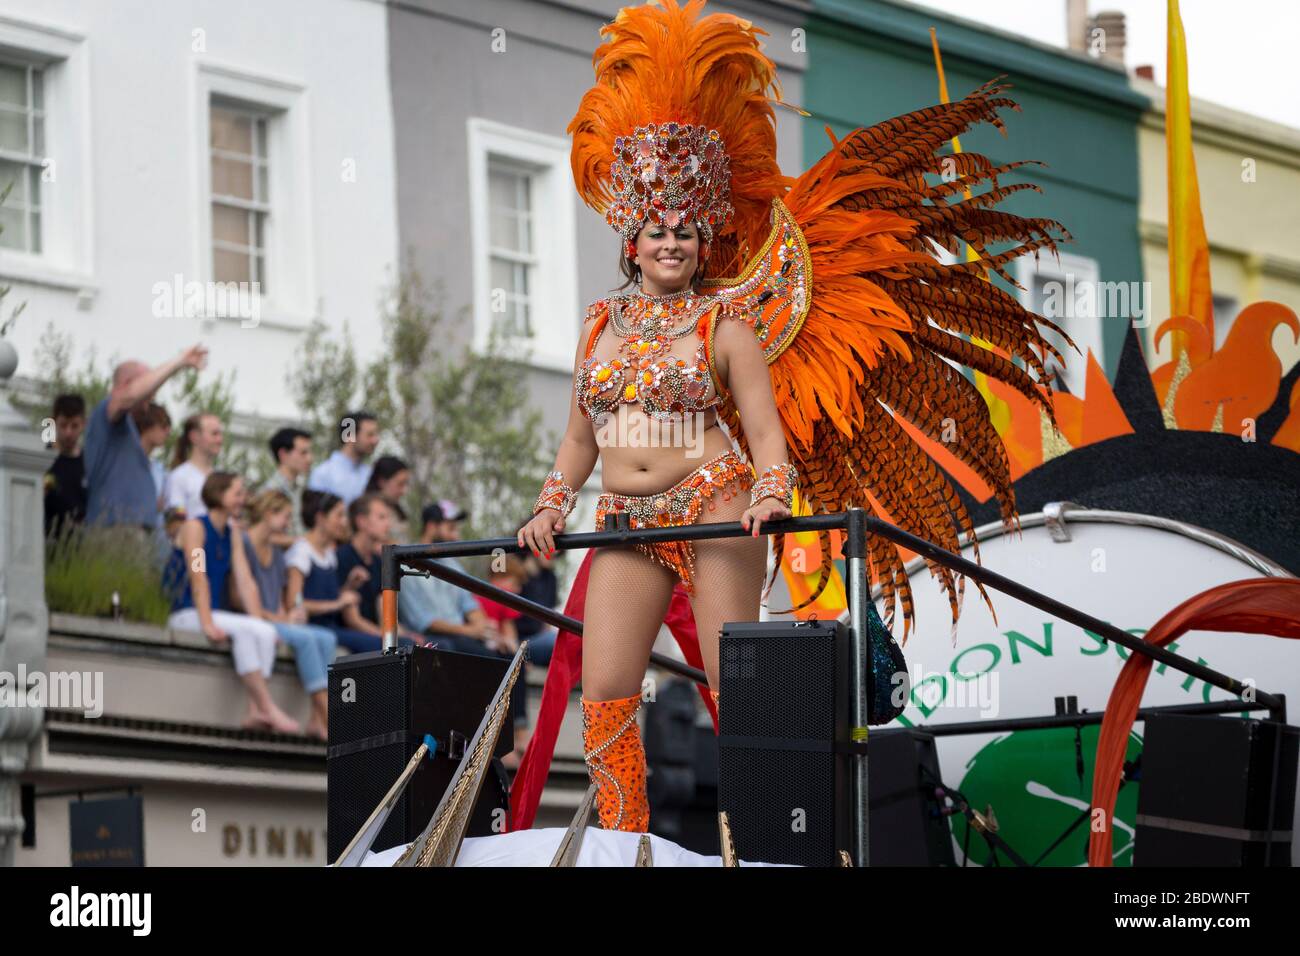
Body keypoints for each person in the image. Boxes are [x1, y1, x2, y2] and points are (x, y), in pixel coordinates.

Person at [515, 1, 1071, 833]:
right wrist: (551, 503)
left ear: (705, 241)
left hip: (714, 502)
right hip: (624, 516)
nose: (670, 242)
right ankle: (627, 850)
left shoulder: (728, 322)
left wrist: (772, 492)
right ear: (631, 241)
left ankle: (764, 847)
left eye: (685, 231)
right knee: (605, 697)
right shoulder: (598, 324)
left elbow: (763, 424)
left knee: (737, 698)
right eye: (655, 230)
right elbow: (578, 437)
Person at [163, 471, 300, 734]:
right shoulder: (195, 528)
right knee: (248, 632)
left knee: (262, 631)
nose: (242, 499)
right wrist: (207, 623)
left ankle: (254, 710)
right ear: (218, 494)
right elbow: (198, 575)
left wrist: (263, 625)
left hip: (211, 612)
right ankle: (267, 707)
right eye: (237, 493)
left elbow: (246, 581)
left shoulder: (232, 533)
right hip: (187, 611)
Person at [238, 489, 338, 741]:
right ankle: (323, 706)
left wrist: (290, 615)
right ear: (268, 514)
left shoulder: (277, 553)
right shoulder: (245, 545)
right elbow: (241, 600)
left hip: (275, 618)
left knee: (325, 637)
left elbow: (280, 600)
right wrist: (281, 619)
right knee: (305, 639)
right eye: (284, 516)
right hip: (257, 619)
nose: (288, 524)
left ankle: (316, 721)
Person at [84, 345, 207, 529]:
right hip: (114, 530)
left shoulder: (127, 428)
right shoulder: (107, 411)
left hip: (131, 532)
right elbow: (130, 395)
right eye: (148, 384)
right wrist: (180, 361)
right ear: (125, 384)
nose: (153, 392)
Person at [286, 490, 413, 653]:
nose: (344, 522)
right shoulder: (308, 552)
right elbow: (295, 603)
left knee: (409, 645)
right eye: (339, 516)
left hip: (331, 626)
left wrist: (348, 587)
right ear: (321, 518)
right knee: (384, 647)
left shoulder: (329, 554)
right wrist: (339, 602)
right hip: (318, 626)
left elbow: (333, 597)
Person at [307, 410, 378, 505]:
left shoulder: (370, 474)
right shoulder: (323, 474)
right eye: (370, 435)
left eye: (376, 434)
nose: (375, 440)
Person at [44, 393, 87, 537]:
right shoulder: (41, 459)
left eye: (74, 426)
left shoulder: (89, 462)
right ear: (54, 423)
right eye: (63, 425)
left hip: (80, 551)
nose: (68, 432)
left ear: (83, 424)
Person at [164, 412, 223, 519]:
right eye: (214, 434)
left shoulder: (220, 477)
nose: (220, 440)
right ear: (194, 436)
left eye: (220, 434)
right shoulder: (179, 477)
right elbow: (175, 524)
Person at [262, 426, 313, 545]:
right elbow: (265, 536)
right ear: (283, 454)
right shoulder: (271, 491)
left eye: (310, 452)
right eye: (303, 453)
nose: (310, 458)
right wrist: (304, 542)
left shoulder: (301, 487)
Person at [132, 402, 172, 526]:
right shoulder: (125, 464)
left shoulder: (159, 469)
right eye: (163, 426)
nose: (168, 432)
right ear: (146, 426)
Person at [363, 455, 411, 523]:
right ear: (382, 482)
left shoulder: (397, 513)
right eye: (400, 484)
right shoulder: (364, 510)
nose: (404, 491)